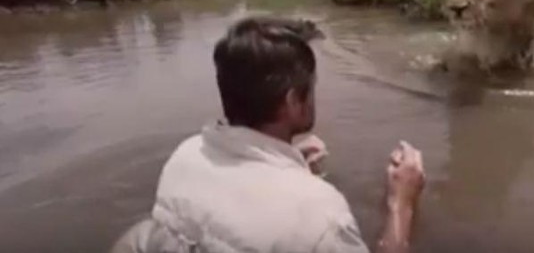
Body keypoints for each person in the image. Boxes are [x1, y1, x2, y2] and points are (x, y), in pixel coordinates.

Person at [111, 16, 425, 253]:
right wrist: (401, 203)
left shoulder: (185, 156)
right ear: (291, 101)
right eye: (310, 88)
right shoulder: (322, 215)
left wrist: (290, 166)